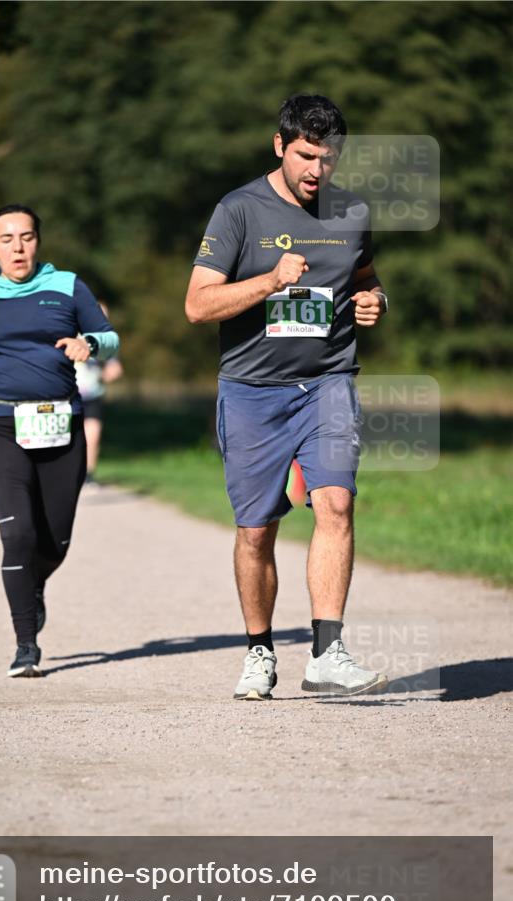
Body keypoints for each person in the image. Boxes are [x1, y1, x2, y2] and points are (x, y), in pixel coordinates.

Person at [185, 94, 389, 700]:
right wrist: (270, 280)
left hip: (328, 382)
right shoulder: (238, 211)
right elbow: (198, 305)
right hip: (252, 392)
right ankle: (259, 650)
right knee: (256, 531)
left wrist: (376, 299)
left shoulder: (351, 212)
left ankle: (327, 652)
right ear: (280, 145)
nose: (315, 171)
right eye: (305, 156)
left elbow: (364, 277)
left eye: (327, 159)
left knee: (336, 503)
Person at [0, 204, 119, 678]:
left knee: (54, 542)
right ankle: (26, 644)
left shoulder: (66, 286)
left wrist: (90, 345)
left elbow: (109, 336)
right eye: (6, 239)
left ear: (38, 241)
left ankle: (32, 586)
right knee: (17, 533)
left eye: (26, 237)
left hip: (61, 425)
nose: (17, 247)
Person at [74, 301, 124, 482]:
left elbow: (114, 368)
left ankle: (88, 474)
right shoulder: (70, 334)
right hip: (69, 394)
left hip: (93, 394)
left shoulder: (106, 340)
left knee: (93, 435)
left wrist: (109, 373)